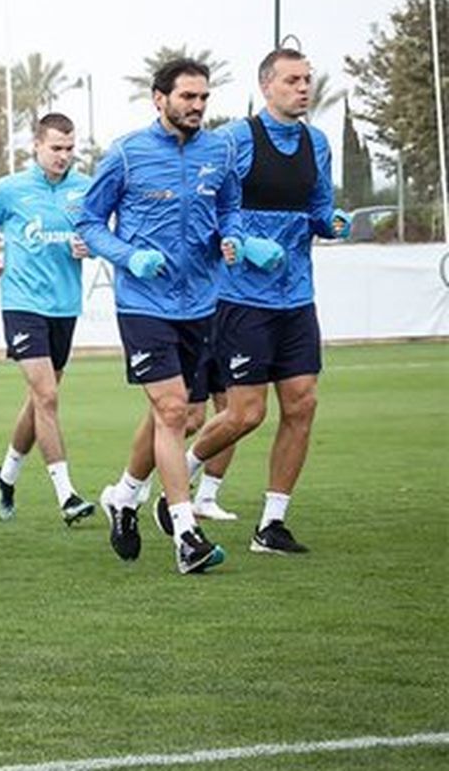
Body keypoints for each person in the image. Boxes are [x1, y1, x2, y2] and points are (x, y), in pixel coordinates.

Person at [78, 57, 277, 574]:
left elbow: (229, 208)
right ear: (159, 98)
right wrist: (128, 256)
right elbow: (89, 221)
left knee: (182, 416)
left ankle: (124, 496)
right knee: (171, 410)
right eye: (187, 97)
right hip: (144, 302)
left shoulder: (220, 150)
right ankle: (186, 535)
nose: (197, 106)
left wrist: (235, 237)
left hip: (203, 303)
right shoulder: (126, 154)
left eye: (204, 97)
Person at [156, 48, 348, 555]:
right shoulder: (234, 140)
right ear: (267, 87)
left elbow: (319, 206)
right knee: (245, 413)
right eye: (292, 80)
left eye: (307, 79)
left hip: (297, 295)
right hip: (241, 296)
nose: (303, 87)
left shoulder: (317, 143)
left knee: (303, 403)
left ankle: (272, 525)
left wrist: (332, 222)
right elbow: (211, 206)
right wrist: (240, 241)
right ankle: (184, 475)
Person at [0, 113, 98, 525]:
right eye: (56, 148)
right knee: (46, 395)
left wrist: (89, 245)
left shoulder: (86, 189)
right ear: (37, 146)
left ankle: (6, 475)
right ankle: (67, 495)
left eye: (69, 149)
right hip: (22, 303)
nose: (63, 156)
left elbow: (99, 232)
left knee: (40, 397)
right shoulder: (10, 189)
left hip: (65, 307)